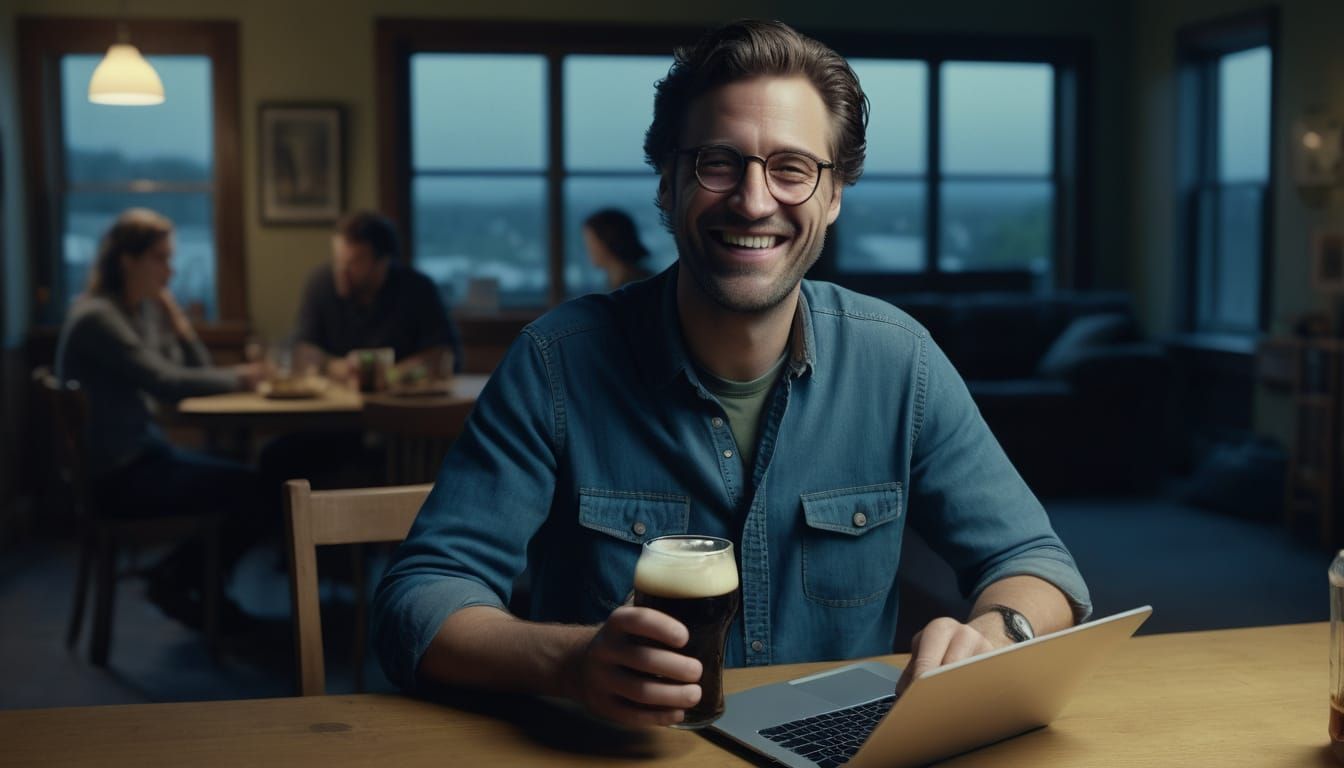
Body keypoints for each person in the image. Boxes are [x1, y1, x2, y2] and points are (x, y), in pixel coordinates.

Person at [373, 20, 1091, 728]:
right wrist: (568, 662)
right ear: (668, 183)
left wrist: (996, 636)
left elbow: (1036, 563)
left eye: (792, 168)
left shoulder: (901, 362)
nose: (753, 201)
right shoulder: (555, 363)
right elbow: (420, 597)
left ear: (834, 195)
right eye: (719, 163)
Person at [55, 208, 267, 628]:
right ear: (126, 260)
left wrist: (179, 322)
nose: (169, 270)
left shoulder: (139, 311)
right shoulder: (99, 317)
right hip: (118, 477)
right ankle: (182, 582)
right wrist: (242, 377)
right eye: (161, 258)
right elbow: (166, 383)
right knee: (257, 490)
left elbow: (191, 368)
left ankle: (185, 581)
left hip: (145, 456)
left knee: (255, 483)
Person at [293, 210, 462, 381]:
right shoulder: (321, 284)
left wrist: (393, 375)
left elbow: (443, 355)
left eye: (354, 262)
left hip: (403, 401)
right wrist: (337, 367)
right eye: (338, 260)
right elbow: (303, 349)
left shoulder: (418, 289)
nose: (341, 271)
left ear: (382, 262)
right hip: (338, 399)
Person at [583, 208, 653, 290]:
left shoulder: (639, 286)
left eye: (591, 242)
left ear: (607, 240)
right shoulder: (614, 282)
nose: (588, 249)